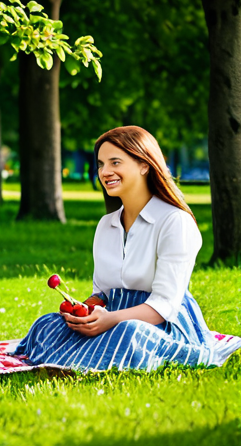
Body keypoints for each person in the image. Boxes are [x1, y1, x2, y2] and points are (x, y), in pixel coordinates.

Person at [14, 126, 240, 371]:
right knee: (48, 324)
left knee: (129, 333)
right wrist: (84, 312)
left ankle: (85, 356)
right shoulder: (105, 225)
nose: (105, 172)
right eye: (101, 164)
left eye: (115, 162)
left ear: (144, 165)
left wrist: (110, 320)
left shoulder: (176, 222)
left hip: (162, 323)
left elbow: (164, 306)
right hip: (111, 319)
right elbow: (102, 293)